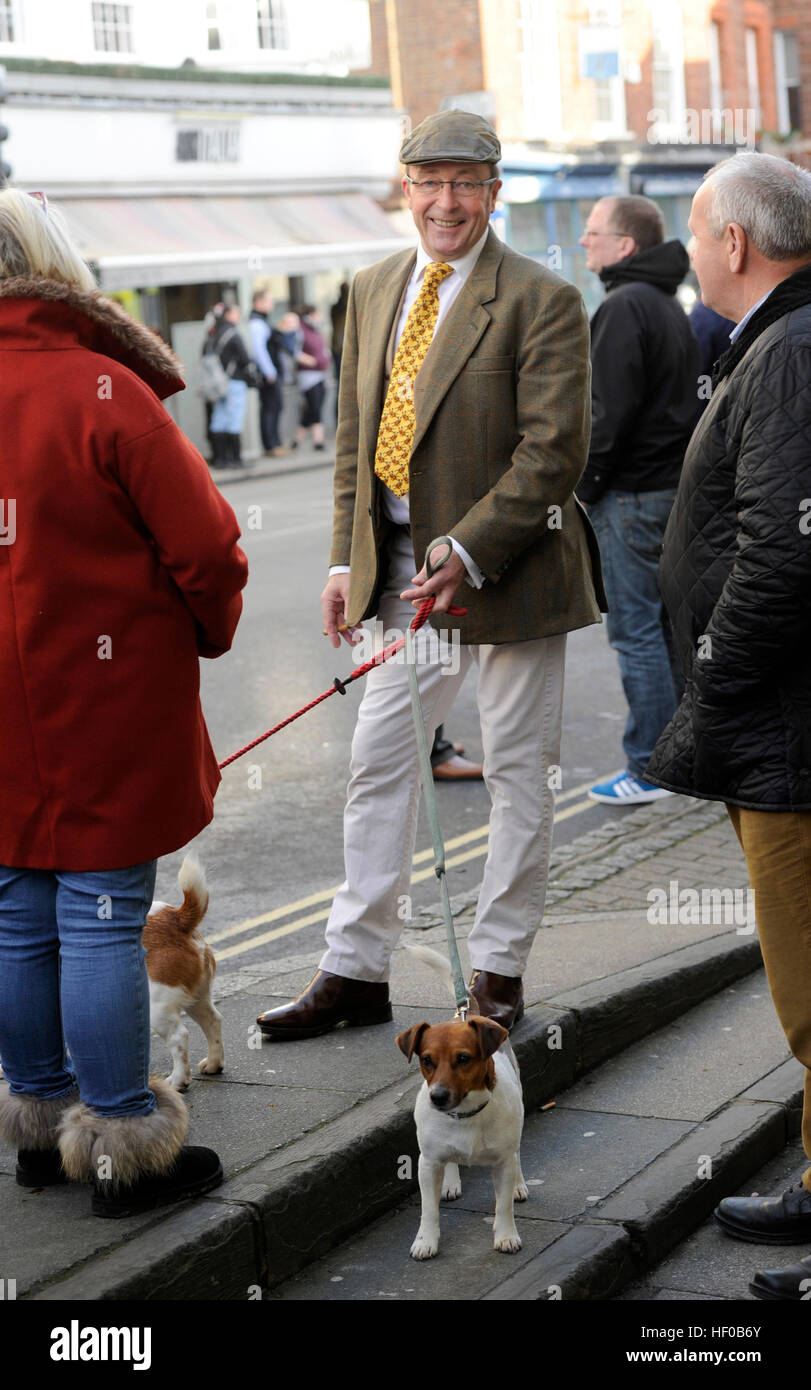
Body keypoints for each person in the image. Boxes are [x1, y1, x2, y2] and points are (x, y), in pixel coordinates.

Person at [256, 109, 605, 1041]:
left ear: (493, 193)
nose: (445, 201)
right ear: (404, 188)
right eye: (429, 181)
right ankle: (355, 969)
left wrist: (470, 547)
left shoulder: (541, 297)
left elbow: (554, 452)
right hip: (404, 578)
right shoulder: (371, 288)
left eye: (465, 183)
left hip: (511, 571)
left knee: (518, 776)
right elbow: (353, 440)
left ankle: (496, 971)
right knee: (378, 765)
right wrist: (344, 559)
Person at [0, 189, 248, 1216]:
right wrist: (201, 629)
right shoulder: (103, 387)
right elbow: (207, 549)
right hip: (99, 702)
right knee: (102, 917)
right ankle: (116, 1148)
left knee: (17, 913)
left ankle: (37, 1124)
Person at [645, 152, 811, 1301]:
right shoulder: (786, 340)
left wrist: (708, 696)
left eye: (697, 235)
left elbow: (783, 556)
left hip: (786, 738)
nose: (690, 254)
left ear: (735, 245)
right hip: (780, 730)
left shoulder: (789, 350)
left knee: (810, 995)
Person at [576, 196, 699, 807]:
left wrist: (584, 491)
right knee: (667, 629)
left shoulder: (624, 306)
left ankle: (649, 767)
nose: (583, 242)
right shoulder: (663, 300)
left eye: (593, 232)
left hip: (631, 496)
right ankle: (680, 758)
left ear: (625, 246)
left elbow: (606, 416)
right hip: (668, 491)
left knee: (637, 634)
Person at [207, 302, 256, 468]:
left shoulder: (212, 334)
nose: (238, 316)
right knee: (234, 418)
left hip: (217, 383)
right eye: (236, 312)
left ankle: (220, 459)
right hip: (234, 381)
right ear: (228, 315)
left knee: (219, 418)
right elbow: (245, 358)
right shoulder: (233, 333)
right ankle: (236, 458)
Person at [249, 289, 287, 457]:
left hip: (271, 372)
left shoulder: (261, 321)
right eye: (269, 301)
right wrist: (269, 371)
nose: (272, 304)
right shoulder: (256, 323)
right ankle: (271, 445)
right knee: (270, 408)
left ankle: (275, 443)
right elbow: (259, 351)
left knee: (274, 407)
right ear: (259, 302)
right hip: (268, 374)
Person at [688, 297, 736, 422]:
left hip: (705, 405)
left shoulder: (705, 315)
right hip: (728, 407)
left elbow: (697, 371)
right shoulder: (740, 311)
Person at [292, 304, 330, 451]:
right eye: (318, 314)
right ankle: (317, 441)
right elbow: (294, 350)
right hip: (308, 375)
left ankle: (298, 440)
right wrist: (309, 360)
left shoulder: (315, 329)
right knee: (314, 406)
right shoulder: (301, 330)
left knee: (313, 407)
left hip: (320, 373)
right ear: (311, 315)